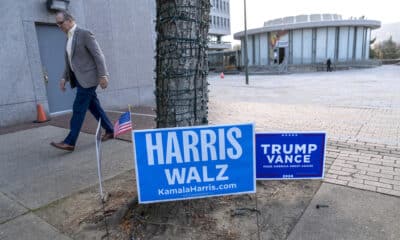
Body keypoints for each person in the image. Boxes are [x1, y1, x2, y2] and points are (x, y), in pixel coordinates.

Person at [50, 11, 114, 152]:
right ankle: (110, 130)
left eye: (60, 22)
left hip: (89, 79)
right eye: (57, 24)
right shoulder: (68, 38)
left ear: (70, 20)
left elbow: (98, 55)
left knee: (78, 108)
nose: (59, 26)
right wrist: (64, 78)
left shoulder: (84, 34)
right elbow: (70, 63)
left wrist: (103, 75)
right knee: (94, 107)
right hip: (79, 80)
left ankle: (70, 142)